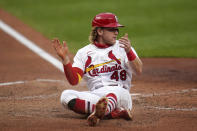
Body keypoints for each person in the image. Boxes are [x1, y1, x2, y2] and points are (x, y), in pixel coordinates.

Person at [52, 12, 143, 126]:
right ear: (99, 31)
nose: (116, 32)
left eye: (117, 29)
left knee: (113, 92)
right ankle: (111, 113)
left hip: (121, 94)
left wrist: (129, 51)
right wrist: (65, 60)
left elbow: (138, 70)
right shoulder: (83, 53)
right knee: (66, 96)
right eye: (112, 29)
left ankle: (102, 111)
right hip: (96, 96)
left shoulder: (123, 48)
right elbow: (74, 80)